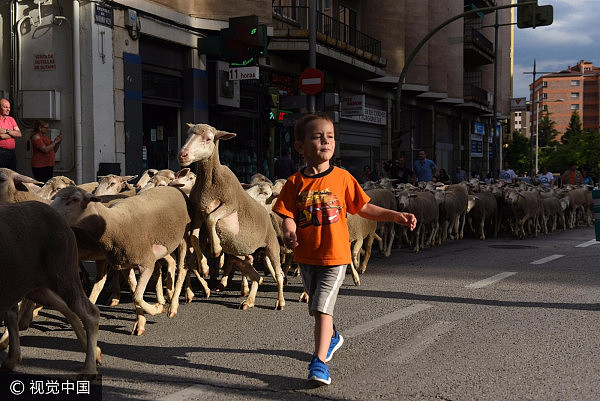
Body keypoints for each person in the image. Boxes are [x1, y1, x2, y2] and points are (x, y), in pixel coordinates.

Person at [272, 113, 416, 386]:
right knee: (316, 309)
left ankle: (319, 363)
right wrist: (289, 228)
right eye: (317, 136)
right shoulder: (294, 183)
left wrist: (394, 215)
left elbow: (364, 207)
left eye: (330, 136)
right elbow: (286, 213)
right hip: (306, 256)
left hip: (336, 256)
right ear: (300, 146)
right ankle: (333, 337)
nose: (326, 141)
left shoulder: (343, 178)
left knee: (323, 307)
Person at [0, 98, 22, 170]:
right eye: (5, 107)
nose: (8, 109)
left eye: (9, 107)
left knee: (12, 174)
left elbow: (19, 134)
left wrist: (6, 131)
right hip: (1, 151)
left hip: (12, 152)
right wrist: (13, 135)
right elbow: (1, 136)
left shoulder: (11, 119)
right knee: (2, 175)